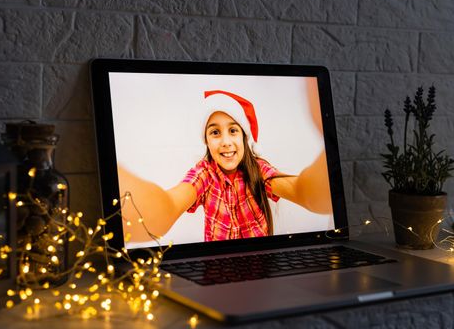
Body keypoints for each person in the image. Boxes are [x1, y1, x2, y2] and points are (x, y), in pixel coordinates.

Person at [118, 89, 332, 242]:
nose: (226, 142)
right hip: (218, 271)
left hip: (261, 268)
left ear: (244, 137)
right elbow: (168, 207)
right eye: (215, 132)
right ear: (207, 141)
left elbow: (302, 191)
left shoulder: (257, 170)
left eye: (233, 130)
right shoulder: (204, 174)